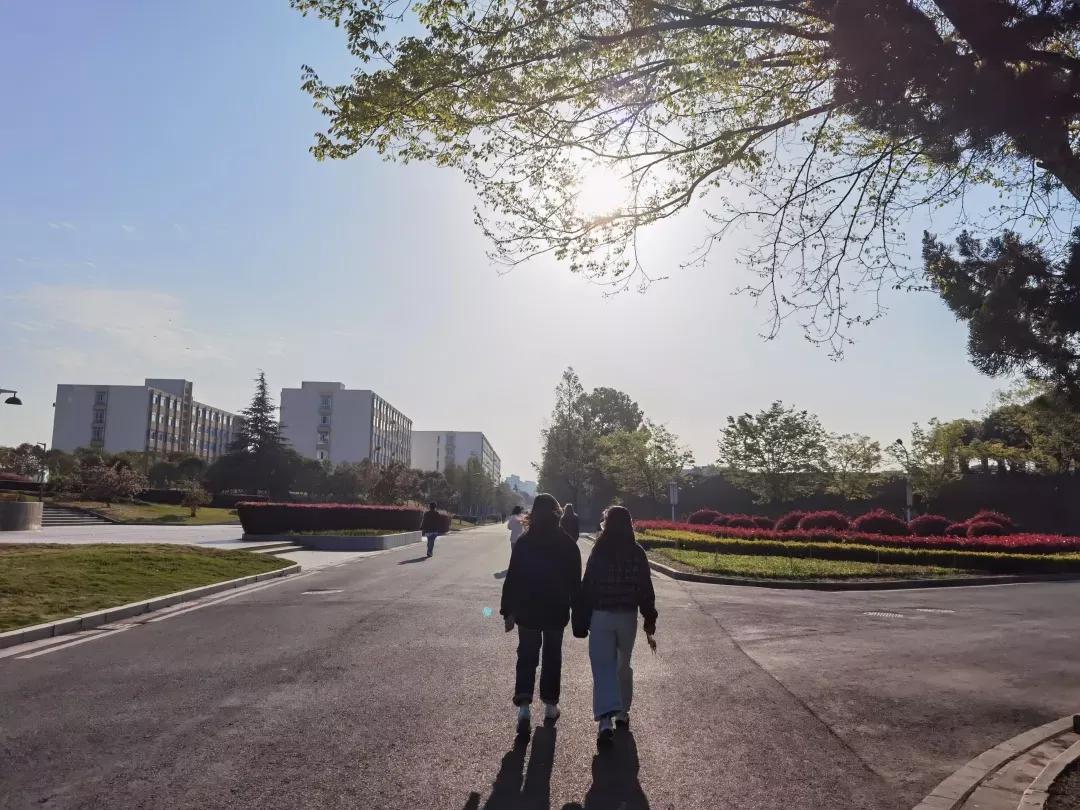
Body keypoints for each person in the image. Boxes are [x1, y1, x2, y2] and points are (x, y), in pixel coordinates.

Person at [573, 505, 657, 747]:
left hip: (601, 615)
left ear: (606, 524)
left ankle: (605, 721)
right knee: (623, 665)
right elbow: (645, 589)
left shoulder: (600, 550)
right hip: (627, 616)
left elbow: (587, 585)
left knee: (602, 668)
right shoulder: (637, 552)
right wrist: (649, 616)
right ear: (629, 523)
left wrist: (581, 617)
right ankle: (622, 712)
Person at [500, 493, 582, 737]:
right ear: (557, 512)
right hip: (556, 610)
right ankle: (550, 705)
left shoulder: (525, 542)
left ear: (533, 513)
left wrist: (508, 610)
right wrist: (579, 616)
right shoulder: (567, 544)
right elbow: (575, 584)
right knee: (552, 657)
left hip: (527, 609)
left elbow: (513, 578)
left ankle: (524, 707)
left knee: (526, 655)